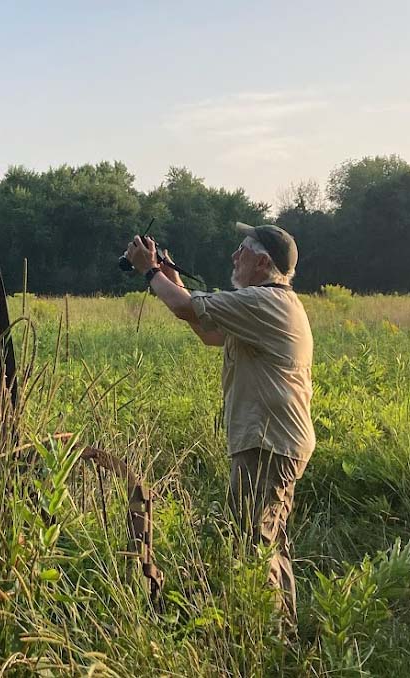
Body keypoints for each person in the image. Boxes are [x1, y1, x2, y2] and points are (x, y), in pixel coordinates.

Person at [124, 223, 315, 627]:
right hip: (271, 440)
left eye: (241, 250)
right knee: (267, 540)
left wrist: (148, 270)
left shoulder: (265, 303)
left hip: (267, 443)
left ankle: (269, 639)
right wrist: (168, 275)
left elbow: (186, 307)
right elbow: (208, 331)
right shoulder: (268, 305)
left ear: (263, 262)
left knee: (255, 544)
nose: (234, 256)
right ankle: (284, 631)